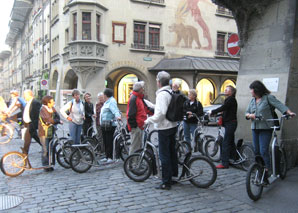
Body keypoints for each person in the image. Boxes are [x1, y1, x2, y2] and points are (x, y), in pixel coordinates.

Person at [245, 80, 295, 175]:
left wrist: (289, 112)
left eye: (251, 89)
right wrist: (249, 115)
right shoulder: (252, 100)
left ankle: (267, 169)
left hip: (266, 127)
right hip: (255, 127)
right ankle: (260, 168)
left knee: (263, 150)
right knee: (256, 150)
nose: (250, 91)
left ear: (256, 90)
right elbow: (246, 112)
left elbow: (280, 105)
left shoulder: (268, 98)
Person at [145, 71, 178, 190]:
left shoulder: (161, 94)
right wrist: (150, 104)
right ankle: (173, 176)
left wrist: (148, 121)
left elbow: (160, 113)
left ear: (158, 82)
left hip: (164, 127)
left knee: (164, 155)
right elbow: (163, 108)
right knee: (172, 152)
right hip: (173, 125)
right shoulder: (169, 91)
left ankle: (166, 182)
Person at [209, 85, 238, 169]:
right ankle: (233, 158)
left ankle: (225, 163)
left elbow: (223, 107)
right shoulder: (229, 99)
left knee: (225, 142)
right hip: (229, 123)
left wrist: (213, 111)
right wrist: (219, 114)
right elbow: (226, 110)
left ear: (231, 92)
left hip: (230, 123)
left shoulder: (230, 99)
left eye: (227, 90)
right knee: (230, 142)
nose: (225, 90)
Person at [127, 81, 154, 155]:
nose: (144, 90)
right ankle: (133, 164)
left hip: (140, 126)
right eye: (143, 88)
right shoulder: (134, 98)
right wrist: (135, 126)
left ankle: (136, 161)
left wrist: (155, 112)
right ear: (140, 89)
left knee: (138, 145)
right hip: (137, 126)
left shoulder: (139, 98)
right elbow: (131, 114)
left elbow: (146, 108)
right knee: (135, 146)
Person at [38, 96, 61, 172]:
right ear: (47, 103)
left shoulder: (52, 108)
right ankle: (45, 165)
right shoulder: (43, 109)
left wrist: (55, 120)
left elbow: (57, 116)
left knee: (51, 148)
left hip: (51, 130)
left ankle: (50, 164)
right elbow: (48, 119)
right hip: (44, 132)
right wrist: (55, 121)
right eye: (52, 101)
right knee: (45, 149)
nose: (53, 102)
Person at [100, 88, 121, 163]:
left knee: (109, 141)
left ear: (105, 95)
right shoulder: (106, 102)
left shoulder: (111, 101)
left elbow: (115, 111)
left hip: (109, 125)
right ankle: (107, 156)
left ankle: (110, 157)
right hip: (104, 125)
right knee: (105, 141)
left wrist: (118, 117)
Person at [22, 90, 42, 154]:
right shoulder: (28, 102)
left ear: (29, 95)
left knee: (27, 139)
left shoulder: (35, 102)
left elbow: (37, 114)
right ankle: (46, 147)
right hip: (28, 123)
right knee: (35, 138)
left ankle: (24, 153)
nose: (24, 97)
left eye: (25, 95)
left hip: (31, 124)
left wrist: (34, 125)